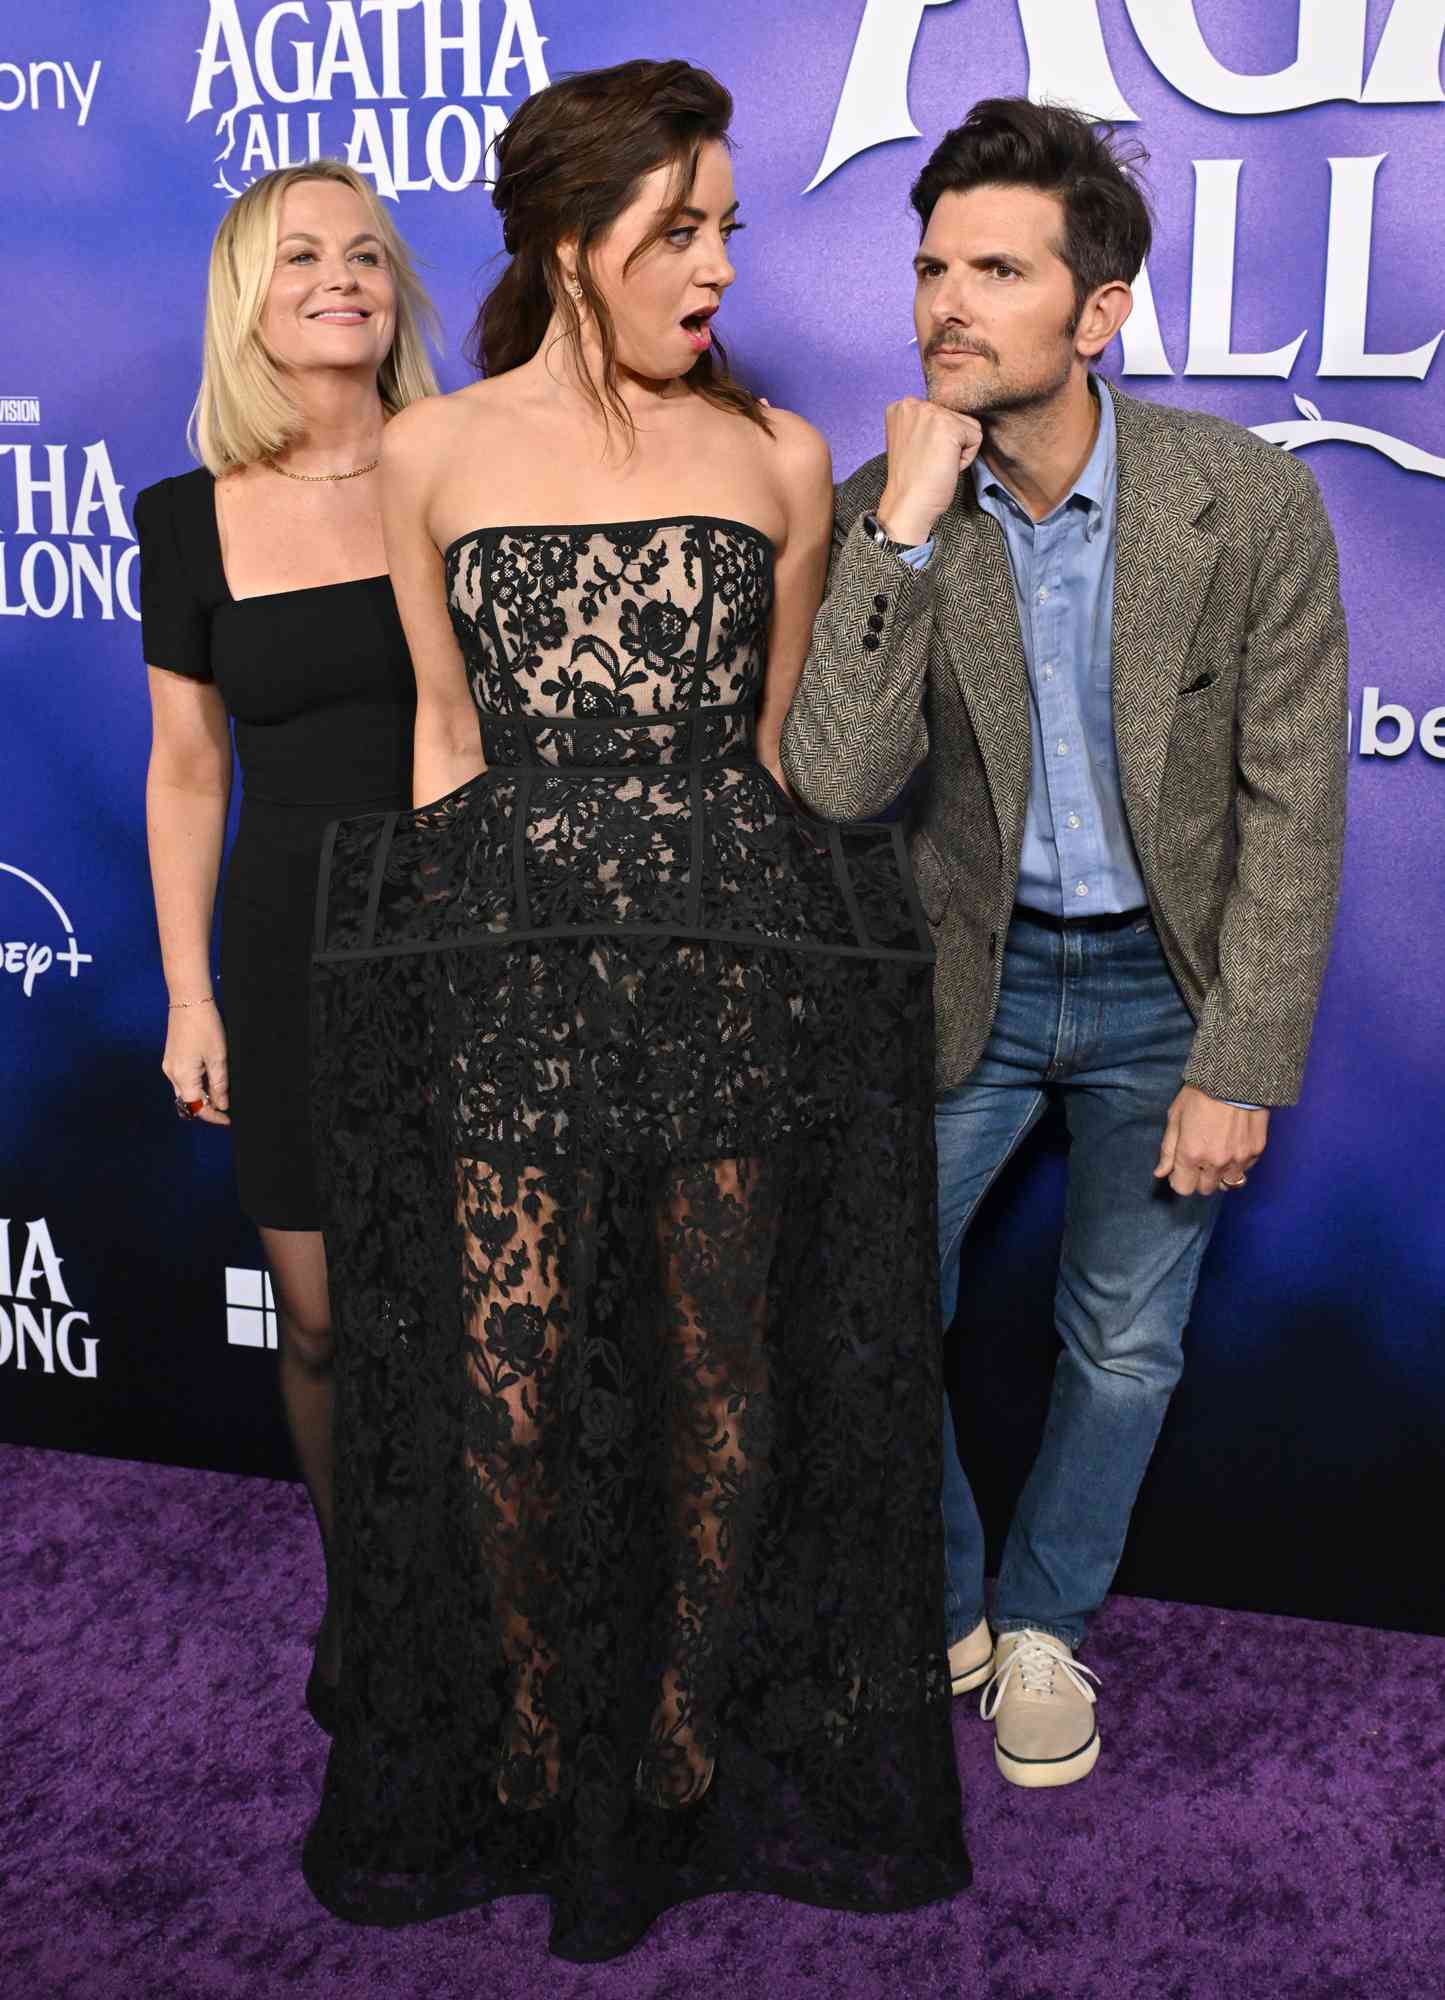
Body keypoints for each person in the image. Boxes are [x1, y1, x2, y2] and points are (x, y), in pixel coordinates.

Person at [304, 58, 968, 1961]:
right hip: (501, 993)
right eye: (677, 230)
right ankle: (529, 1746)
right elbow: (444, 743)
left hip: (727, 988)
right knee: (506, 1403)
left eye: (727, 229)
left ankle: (677, 1750)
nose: (713, 265)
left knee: (725, 1393)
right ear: (569, 243)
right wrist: (424, 1014)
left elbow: (785, 760)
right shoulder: (427, 451)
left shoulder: (773, 455)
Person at [781, 99, 1348, 1791]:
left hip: (1162, 993)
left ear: (1096, 312)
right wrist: (894, 529)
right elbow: (836, 777)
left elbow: (1294, 810)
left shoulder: (1240, 504)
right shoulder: (889, 498)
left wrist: (1238, 1062)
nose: (946, 303)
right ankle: (947, 1599)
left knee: (1120, 1341)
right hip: (970, 976)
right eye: (931, 266)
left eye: (998, 271)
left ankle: (1043, 1627)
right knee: (861, 1302)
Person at [136, 160, 438, 1735]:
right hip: (287, 952)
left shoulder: (469, 470)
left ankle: (491, 1595)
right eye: (304, 253)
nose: (344, 275)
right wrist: (190, 995)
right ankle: (365, 1590)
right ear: (247, 295)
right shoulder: (183, 520)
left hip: (469, 947)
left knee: (471, 1310)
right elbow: (189, 771)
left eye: (369, 253)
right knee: (320, 1317)